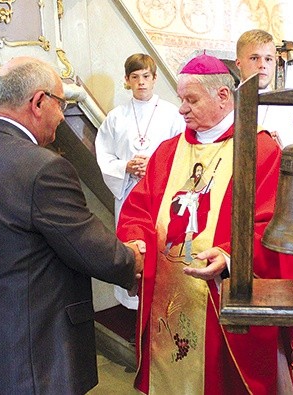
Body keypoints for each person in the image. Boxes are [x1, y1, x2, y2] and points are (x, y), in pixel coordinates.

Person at [116, 52, 293, 394]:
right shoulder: (168, 152)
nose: (181, 109)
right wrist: (137, 241)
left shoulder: (259, 149)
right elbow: (138, 208)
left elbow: (276, 224)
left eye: (191, 99)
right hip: (169, 292)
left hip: (221, 297)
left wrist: (231, 257)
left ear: (223, 96)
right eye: (180, 99)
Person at [0, 56, 143, 395]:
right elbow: (91, 249)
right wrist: (133, 260)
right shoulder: (43, 168)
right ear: (38, 102)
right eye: (60, 105)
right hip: (31, 362)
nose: (62, 115)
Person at [95, 53, 184, 311]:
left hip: (163, 195)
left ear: (155, 79)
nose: (141, 82)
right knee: (133, 247)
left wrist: (155, 168)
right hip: (128, 194)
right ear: (127, 80)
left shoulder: (172, 114)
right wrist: (125, 166)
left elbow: (181, 151)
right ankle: (134, 305)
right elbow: (104, 154)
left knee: (162, 249)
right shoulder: (116, 117)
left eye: (146, 76)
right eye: (135, 77)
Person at [235, 29, 293, 148]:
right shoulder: (226, 106)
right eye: (254, 58)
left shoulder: (290, 109)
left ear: (275, 63)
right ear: (238, 63)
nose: (262, 65)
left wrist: (283, 153)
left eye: (268, 59)